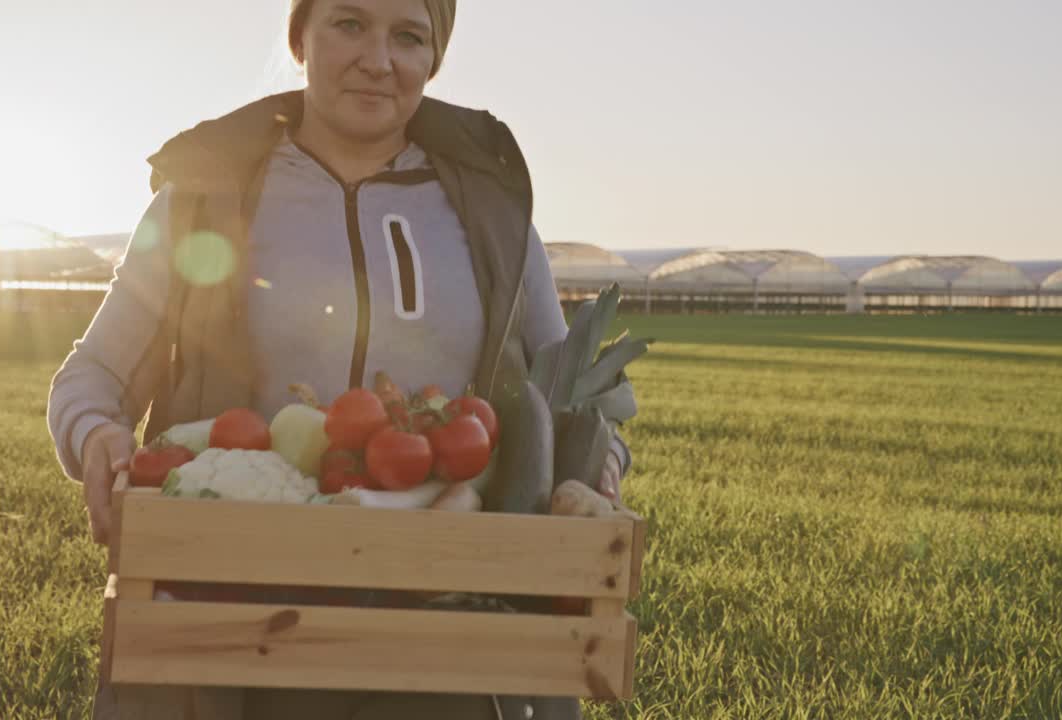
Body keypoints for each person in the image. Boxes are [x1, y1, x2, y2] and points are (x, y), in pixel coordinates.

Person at [47, 1, 633, 717]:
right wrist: (95, 437)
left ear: (434, 57)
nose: (378, 60)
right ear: (300, 36)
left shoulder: (493, 215)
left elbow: (576, 401)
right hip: (232, 614)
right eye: (349, 23)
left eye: (409, 36)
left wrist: (597, 469)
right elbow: (94, 375)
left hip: (452, 623)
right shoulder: (203, 200)